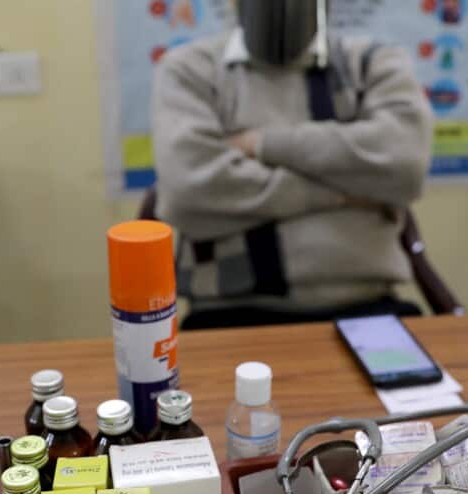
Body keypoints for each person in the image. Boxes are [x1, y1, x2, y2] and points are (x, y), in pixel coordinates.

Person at [151, 0, 434, 329]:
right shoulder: (191, 69)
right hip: (228, 312)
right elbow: (188, 190)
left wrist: (260, 144)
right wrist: (344, 195)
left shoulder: (372, 63)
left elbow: (404, 164)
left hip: (367, 306)